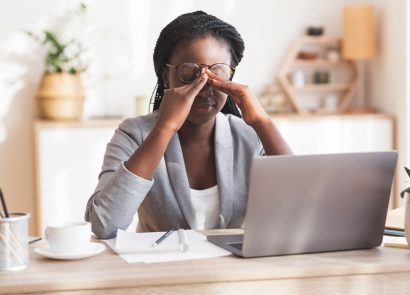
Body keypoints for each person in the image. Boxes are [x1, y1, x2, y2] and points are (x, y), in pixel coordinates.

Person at [85, 11, 292, 239]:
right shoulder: (134, 134)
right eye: (189, 72)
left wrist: (262, 123)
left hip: (232, 269)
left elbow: (301, 206)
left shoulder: (247, 136)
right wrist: (164, 128)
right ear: (166, 76)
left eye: (218, 72)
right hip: (158, 269)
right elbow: (103, 226)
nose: (205, 88)